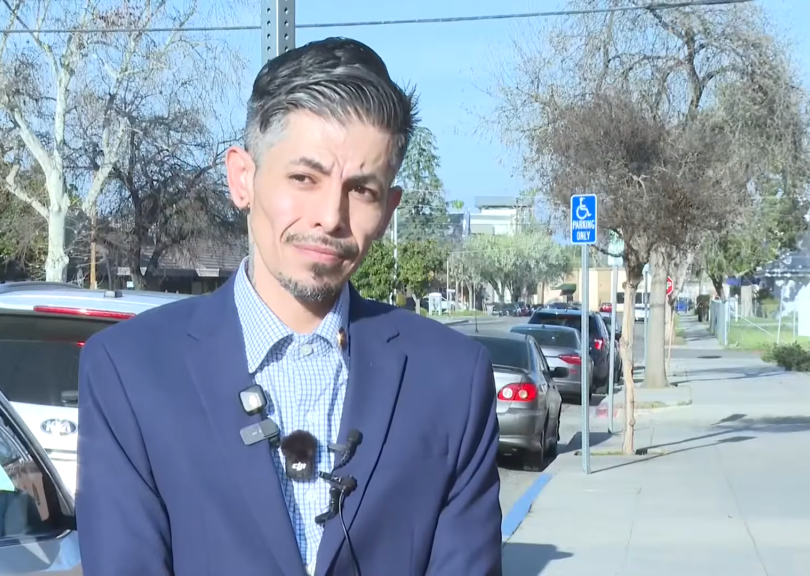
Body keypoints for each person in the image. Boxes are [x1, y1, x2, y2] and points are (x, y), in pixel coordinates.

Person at [76, 37, 502, 576]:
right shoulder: (128, 372)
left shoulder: (452, 380)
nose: (330, 215)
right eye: (305, 178)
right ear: (243, 178)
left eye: (363, 191)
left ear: (388, 210)